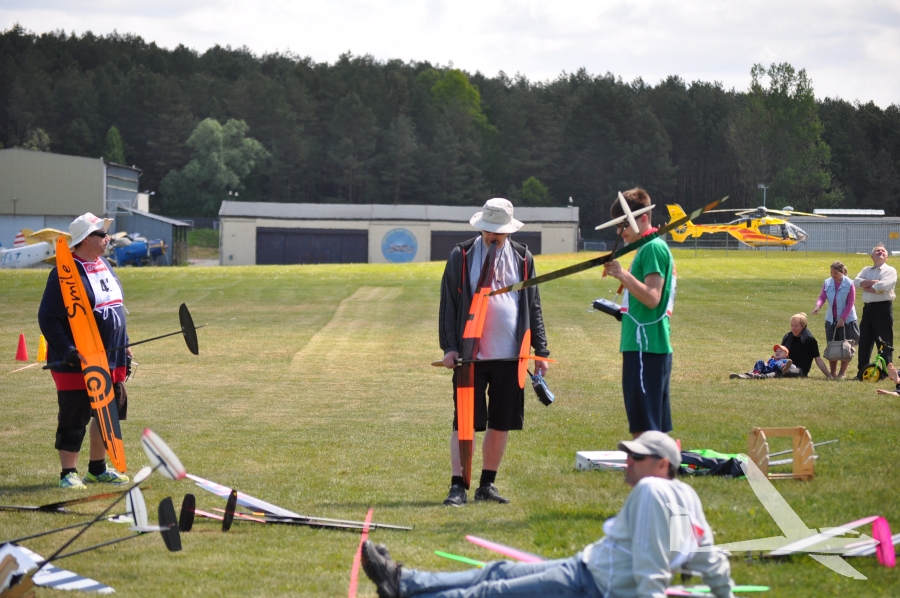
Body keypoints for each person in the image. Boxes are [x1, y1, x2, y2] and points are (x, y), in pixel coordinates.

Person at [360, 431, 735, 598]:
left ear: (662, 464)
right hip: (585, 568)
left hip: (592, 586)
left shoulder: (652, 490)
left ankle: (404, 588)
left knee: (493, 592)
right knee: (496, 573)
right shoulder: (686, 496)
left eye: (636, 457)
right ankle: (403, 581)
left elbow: (650, 573)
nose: (627, 462)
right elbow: (711, 559)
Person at [438, 198, 549, 506]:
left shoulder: (523, 258)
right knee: (464, 422)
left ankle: (486, 485)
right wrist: (449, 347)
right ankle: (457, 486)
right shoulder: (461, 255)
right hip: (470, 356)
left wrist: (541, 349)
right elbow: (448, 304)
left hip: (511, 356)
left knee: (501, 422)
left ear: (508, 231)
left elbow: (534, 306)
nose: (492, 236)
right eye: (488, 230)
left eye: (498, 231)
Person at [38, 213, 131, 489]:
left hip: (112, 356)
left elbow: (115, 307)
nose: (107, 238)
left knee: (108, 413)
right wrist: (67, 350)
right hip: (76, 360)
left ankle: (97, 469)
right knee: (75, 414)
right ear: (86, 240)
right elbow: (48, 317)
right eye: (102, 234)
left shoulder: (106, 265)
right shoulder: (65, 272)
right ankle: (68, 473)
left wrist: (125, 345)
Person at [603, 188, 674, 438]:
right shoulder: (648, 248)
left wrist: (623, 274)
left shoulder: (652, 248)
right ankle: (659, 462)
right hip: (645, 345)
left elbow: (653, 297)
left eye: (623, 225)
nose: (619, 232)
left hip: (646, 347)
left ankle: (650, 463)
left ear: (643, 219)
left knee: (645, 429)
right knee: (652, 427)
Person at [854, 243, 896, 377]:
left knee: (884, 341)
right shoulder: (866, 269)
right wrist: (874, 282)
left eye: (883, 251)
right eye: (877, 251)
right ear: (872, 256)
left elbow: (883, 286)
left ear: (887, 257)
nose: (880, 252)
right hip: (868, 309)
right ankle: (862, 372)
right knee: (865, 340)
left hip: (882, 308)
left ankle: (886, 372)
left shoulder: (890, 271)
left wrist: (866, 285)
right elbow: (856, 282)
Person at [812, 261, 859, 379]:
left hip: (847, 320)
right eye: (831, 272)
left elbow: (851, 303)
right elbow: (822, 297)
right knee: (832, 345)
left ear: (842, 272)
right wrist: (818, 306)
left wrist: (842, 319)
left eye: (836, 273)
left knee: (845, 346)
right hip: (831, 319)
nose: (833, 275)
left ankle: (842, 373)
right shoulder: (827, 282)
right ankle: (832, 373)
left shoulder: (849, 283)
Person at [780, 313, 831, 378]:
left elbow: (818, 360)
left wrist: (829, 376)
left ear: (803, 326)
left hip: (800, 370)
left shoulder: (810, 341)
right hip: (786, 365)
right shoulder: (787, 337)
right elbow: (780, 354)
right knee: (777, 369)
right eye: (792, 325)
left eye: (796, 326)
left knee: (784, 371)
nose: (793, 328)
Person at [729, 344, 800, 379]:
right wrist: (764, 365)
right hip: (767, 368)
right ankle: (756, 373)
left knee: (778, 363)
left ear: (785, 355)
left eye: (780, 351)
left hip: (775, 370)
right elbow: (766, 364)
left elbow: (793, 366)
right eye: (776, 351)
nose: (777, 352)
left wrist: (789, 366)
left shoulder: (784, 360)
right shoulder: (772, 359)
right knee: (760, 361)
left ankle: (783, 368)